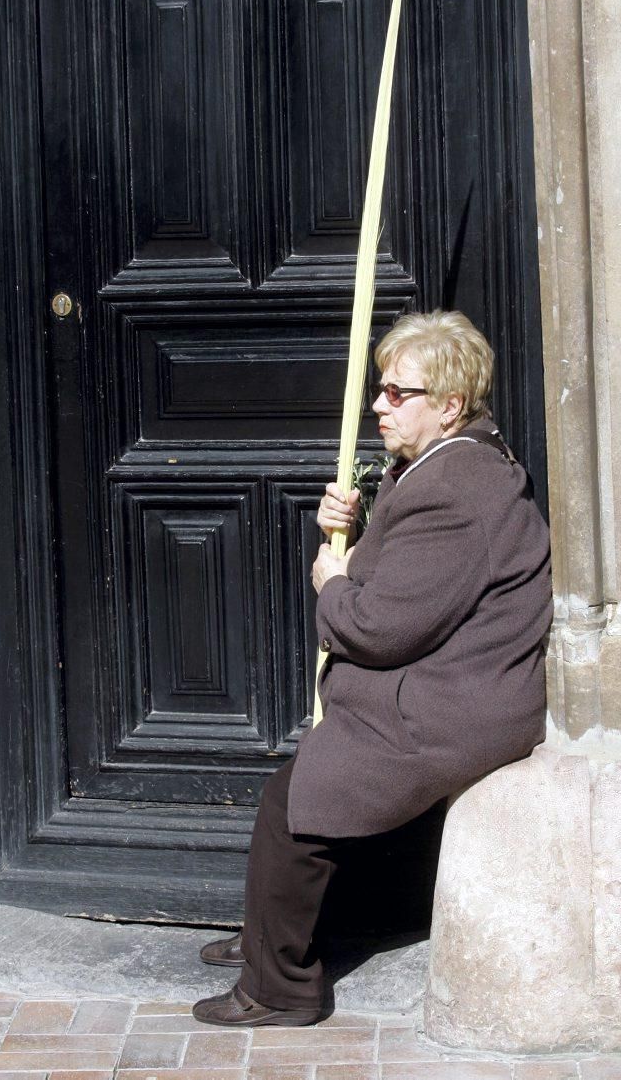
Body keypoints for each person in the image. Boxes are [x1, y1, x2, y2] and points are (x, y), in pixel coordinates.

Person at [192, 309, 553, 1027]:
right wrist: (354, 536)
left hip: (449, 703)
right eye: (380, 389)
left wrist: (332, 581)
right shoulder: (439, 466)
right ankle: (276, 937)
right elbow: (411, 580)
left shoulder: (457, 487)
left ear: (449, 406)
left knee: (294, 807)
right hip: (445, 683)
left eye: (397, 393)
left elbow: (381, 627)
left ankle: (280, 986)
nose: (378, 405)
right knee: (314, 790)